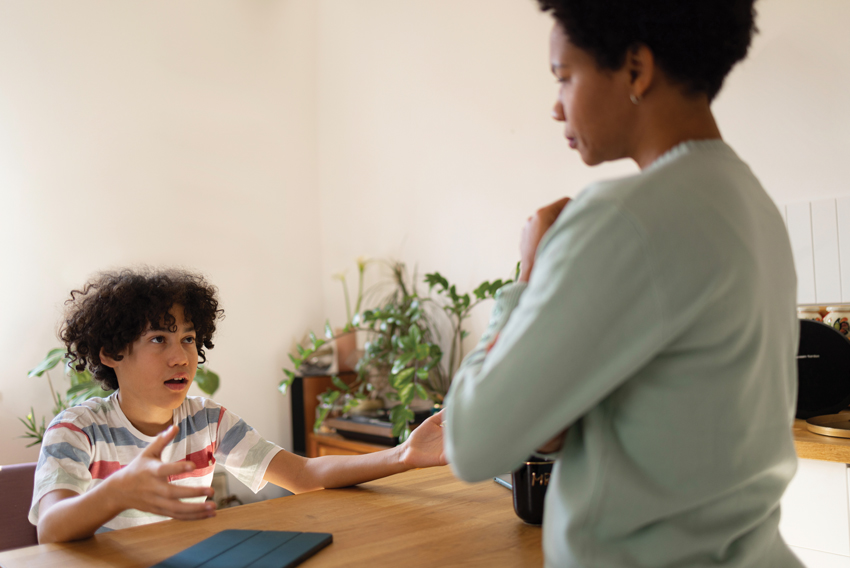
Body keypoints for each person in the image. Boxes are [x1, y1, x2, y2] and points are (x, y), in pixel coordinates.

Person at [444, 1, 802, 567]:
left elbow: (470, 443)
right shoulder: (753, 206)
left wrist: (529, 275)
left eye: (565, 77)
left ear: (636, 68)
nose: (556, 106)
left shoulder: (621, 219)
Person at [30, 268, 446, 544]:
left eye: (189, 339)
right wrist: (117, 493)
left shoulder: (207, 421)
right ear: (110, 352)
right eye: (159, 339)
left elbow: (302, 473)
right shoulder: (77, 431)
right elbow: (51, 528)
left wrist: (403, 454)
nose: (182, 358)